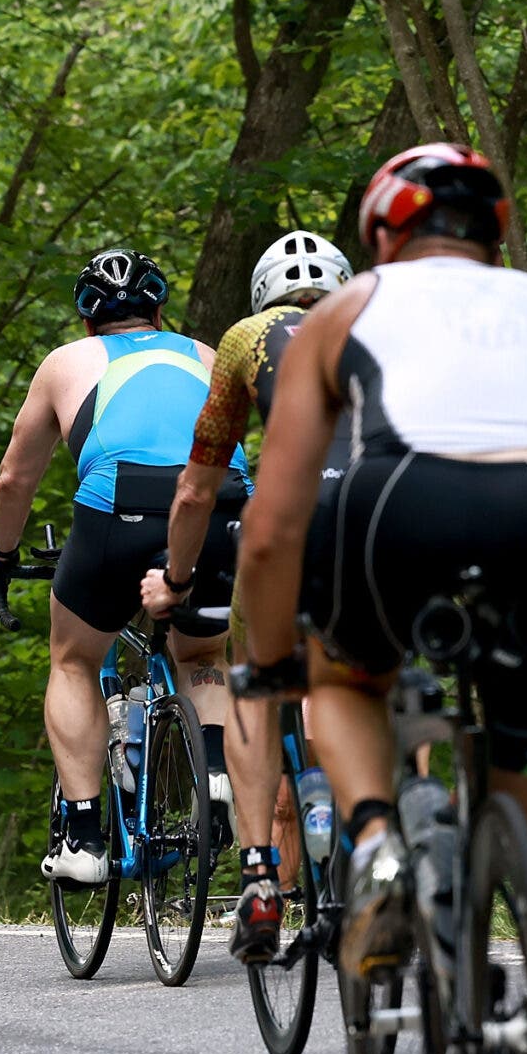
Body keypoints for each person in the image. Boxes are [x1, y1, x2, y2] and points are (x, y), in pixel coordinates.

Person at [231, 143, 527, 1054]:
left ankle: (372, 840)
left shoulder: (345, 309)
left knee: (341, 679)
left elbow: (275, 523)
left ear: (381, 231)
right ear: (492, 229)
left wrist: (267, 659)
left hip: (395, 503)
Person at [0, 249, 248, 888]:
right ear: (159, 308)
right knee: (202, 647)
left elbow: (16, 478)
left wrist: (3, 554)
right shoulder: (206, 354)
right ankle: (213, 773)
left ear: (89, 320)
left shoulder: (66, 363)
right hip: (221, 499)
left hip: (119, 503)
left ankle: (86, 839)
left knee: (72, 660)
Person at [141, 229, 354, 962]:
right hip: (386, 512)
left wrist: (174, 580)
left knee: (255, 685)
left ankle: (261, 875)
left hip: (291, 517)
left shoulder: (246, 338)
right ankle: (381, 849)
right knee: (360, 679)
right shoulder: (378, 320)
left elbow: (200, 484)